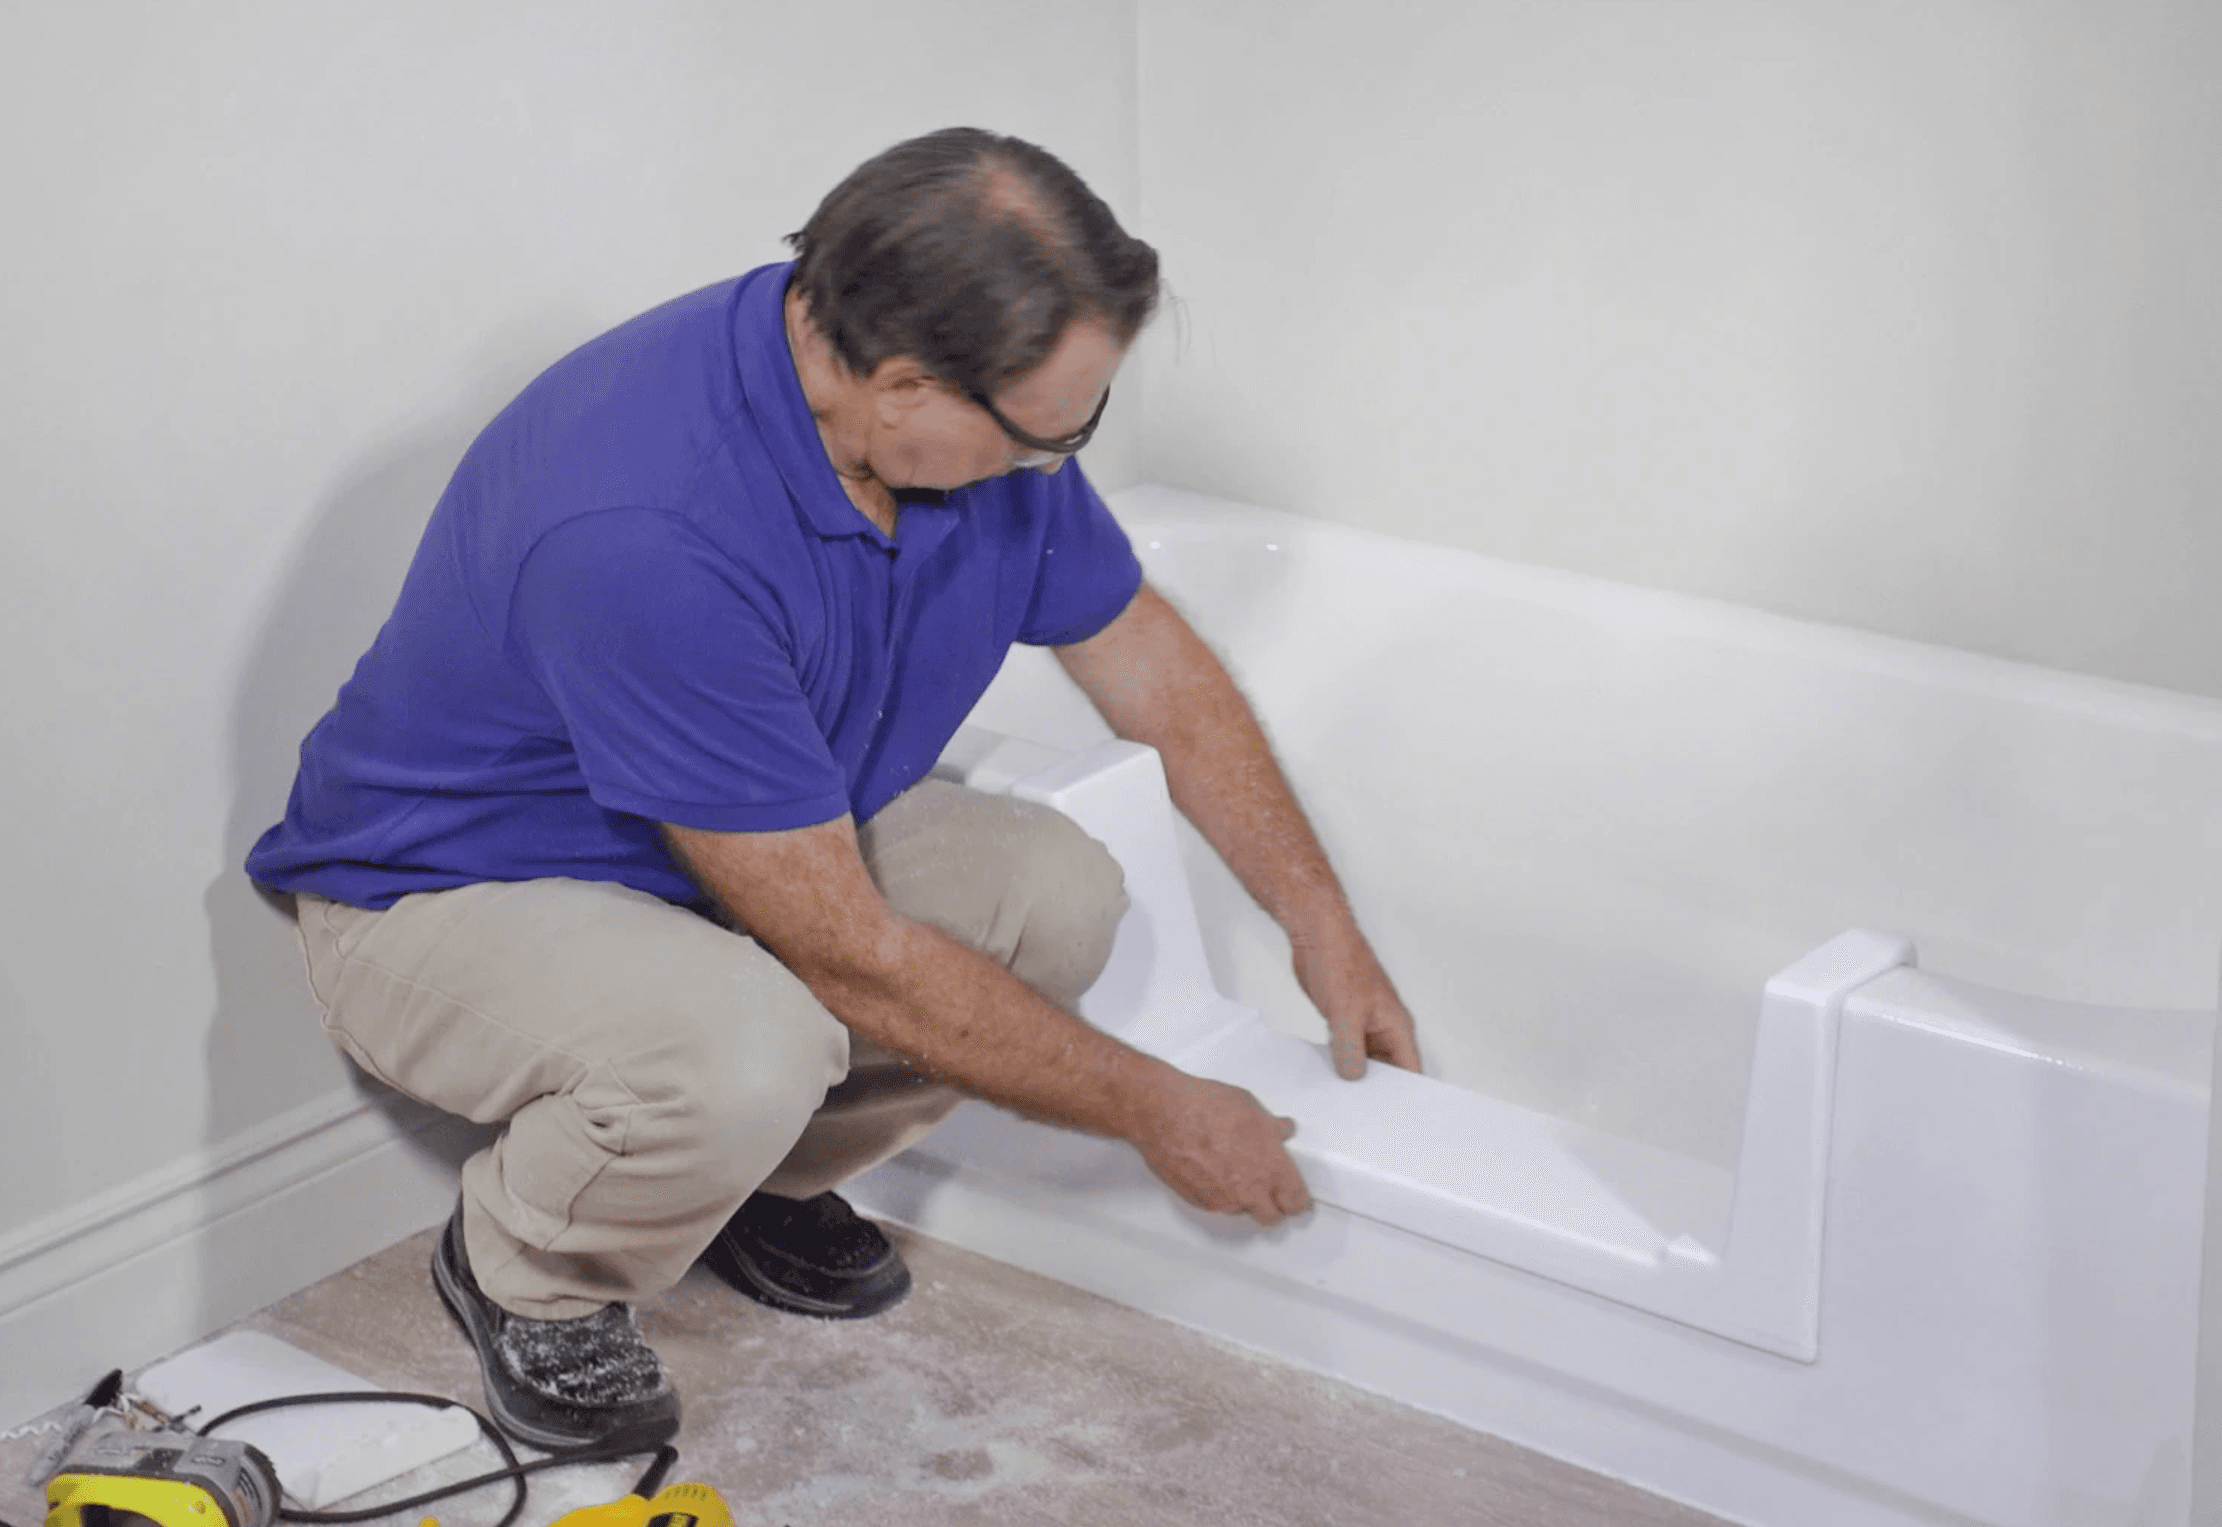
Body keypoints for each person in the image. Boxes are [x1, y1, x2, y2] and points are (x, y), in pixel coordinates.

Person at [245, 128, 1421, 1451]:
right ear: (906, 386)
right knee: (751, 1043)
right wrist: (1155, 1109)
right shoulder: (644, 522)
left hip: (738, 845)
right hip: (458, 892)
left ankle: (750, 1181)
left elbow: (1143, 654)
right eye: (1048, 433)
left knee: (1055, 899)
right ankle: (529, 1273)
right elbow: (850, 960)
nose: (1062, 459)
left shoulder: (944, 420)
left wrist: (1316, 918)